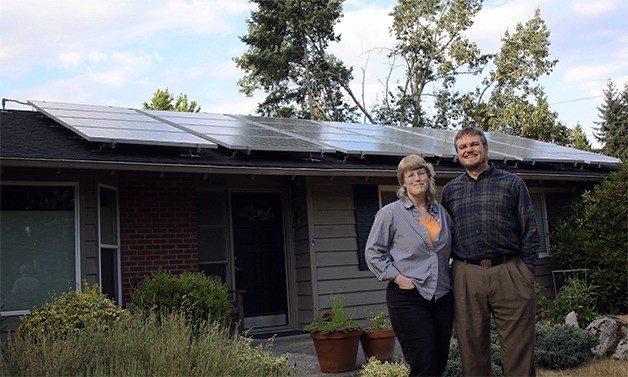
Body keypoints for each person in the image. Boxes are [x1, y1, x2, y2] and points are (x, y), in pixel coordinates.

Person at [441, 126, 540, 376]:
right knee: (471, 346)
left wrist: (526, 272)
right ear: (458, 154)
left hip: (510, 271)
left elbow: (529, 230)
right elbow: (445, 235)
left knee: (518, 346)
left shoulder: (512, 183)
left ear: (485, 148)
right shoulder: (450, 191)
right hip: (466, 272)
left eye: (474, 144)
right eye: (462, 147)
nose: (469, 150)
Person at [365, 154, 454, 376]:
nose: (417, 178)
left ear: (428, 178)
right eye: (410, 175)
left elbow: (450, 249)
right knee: (423, 364)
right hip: (408, 298)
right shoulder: (390, 214)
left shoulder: (441, 213)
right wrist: (397, 277)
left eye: (421, 173)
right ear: (403, 181)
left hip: (442, 296)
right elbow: (373, 253)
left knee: (439, 363)